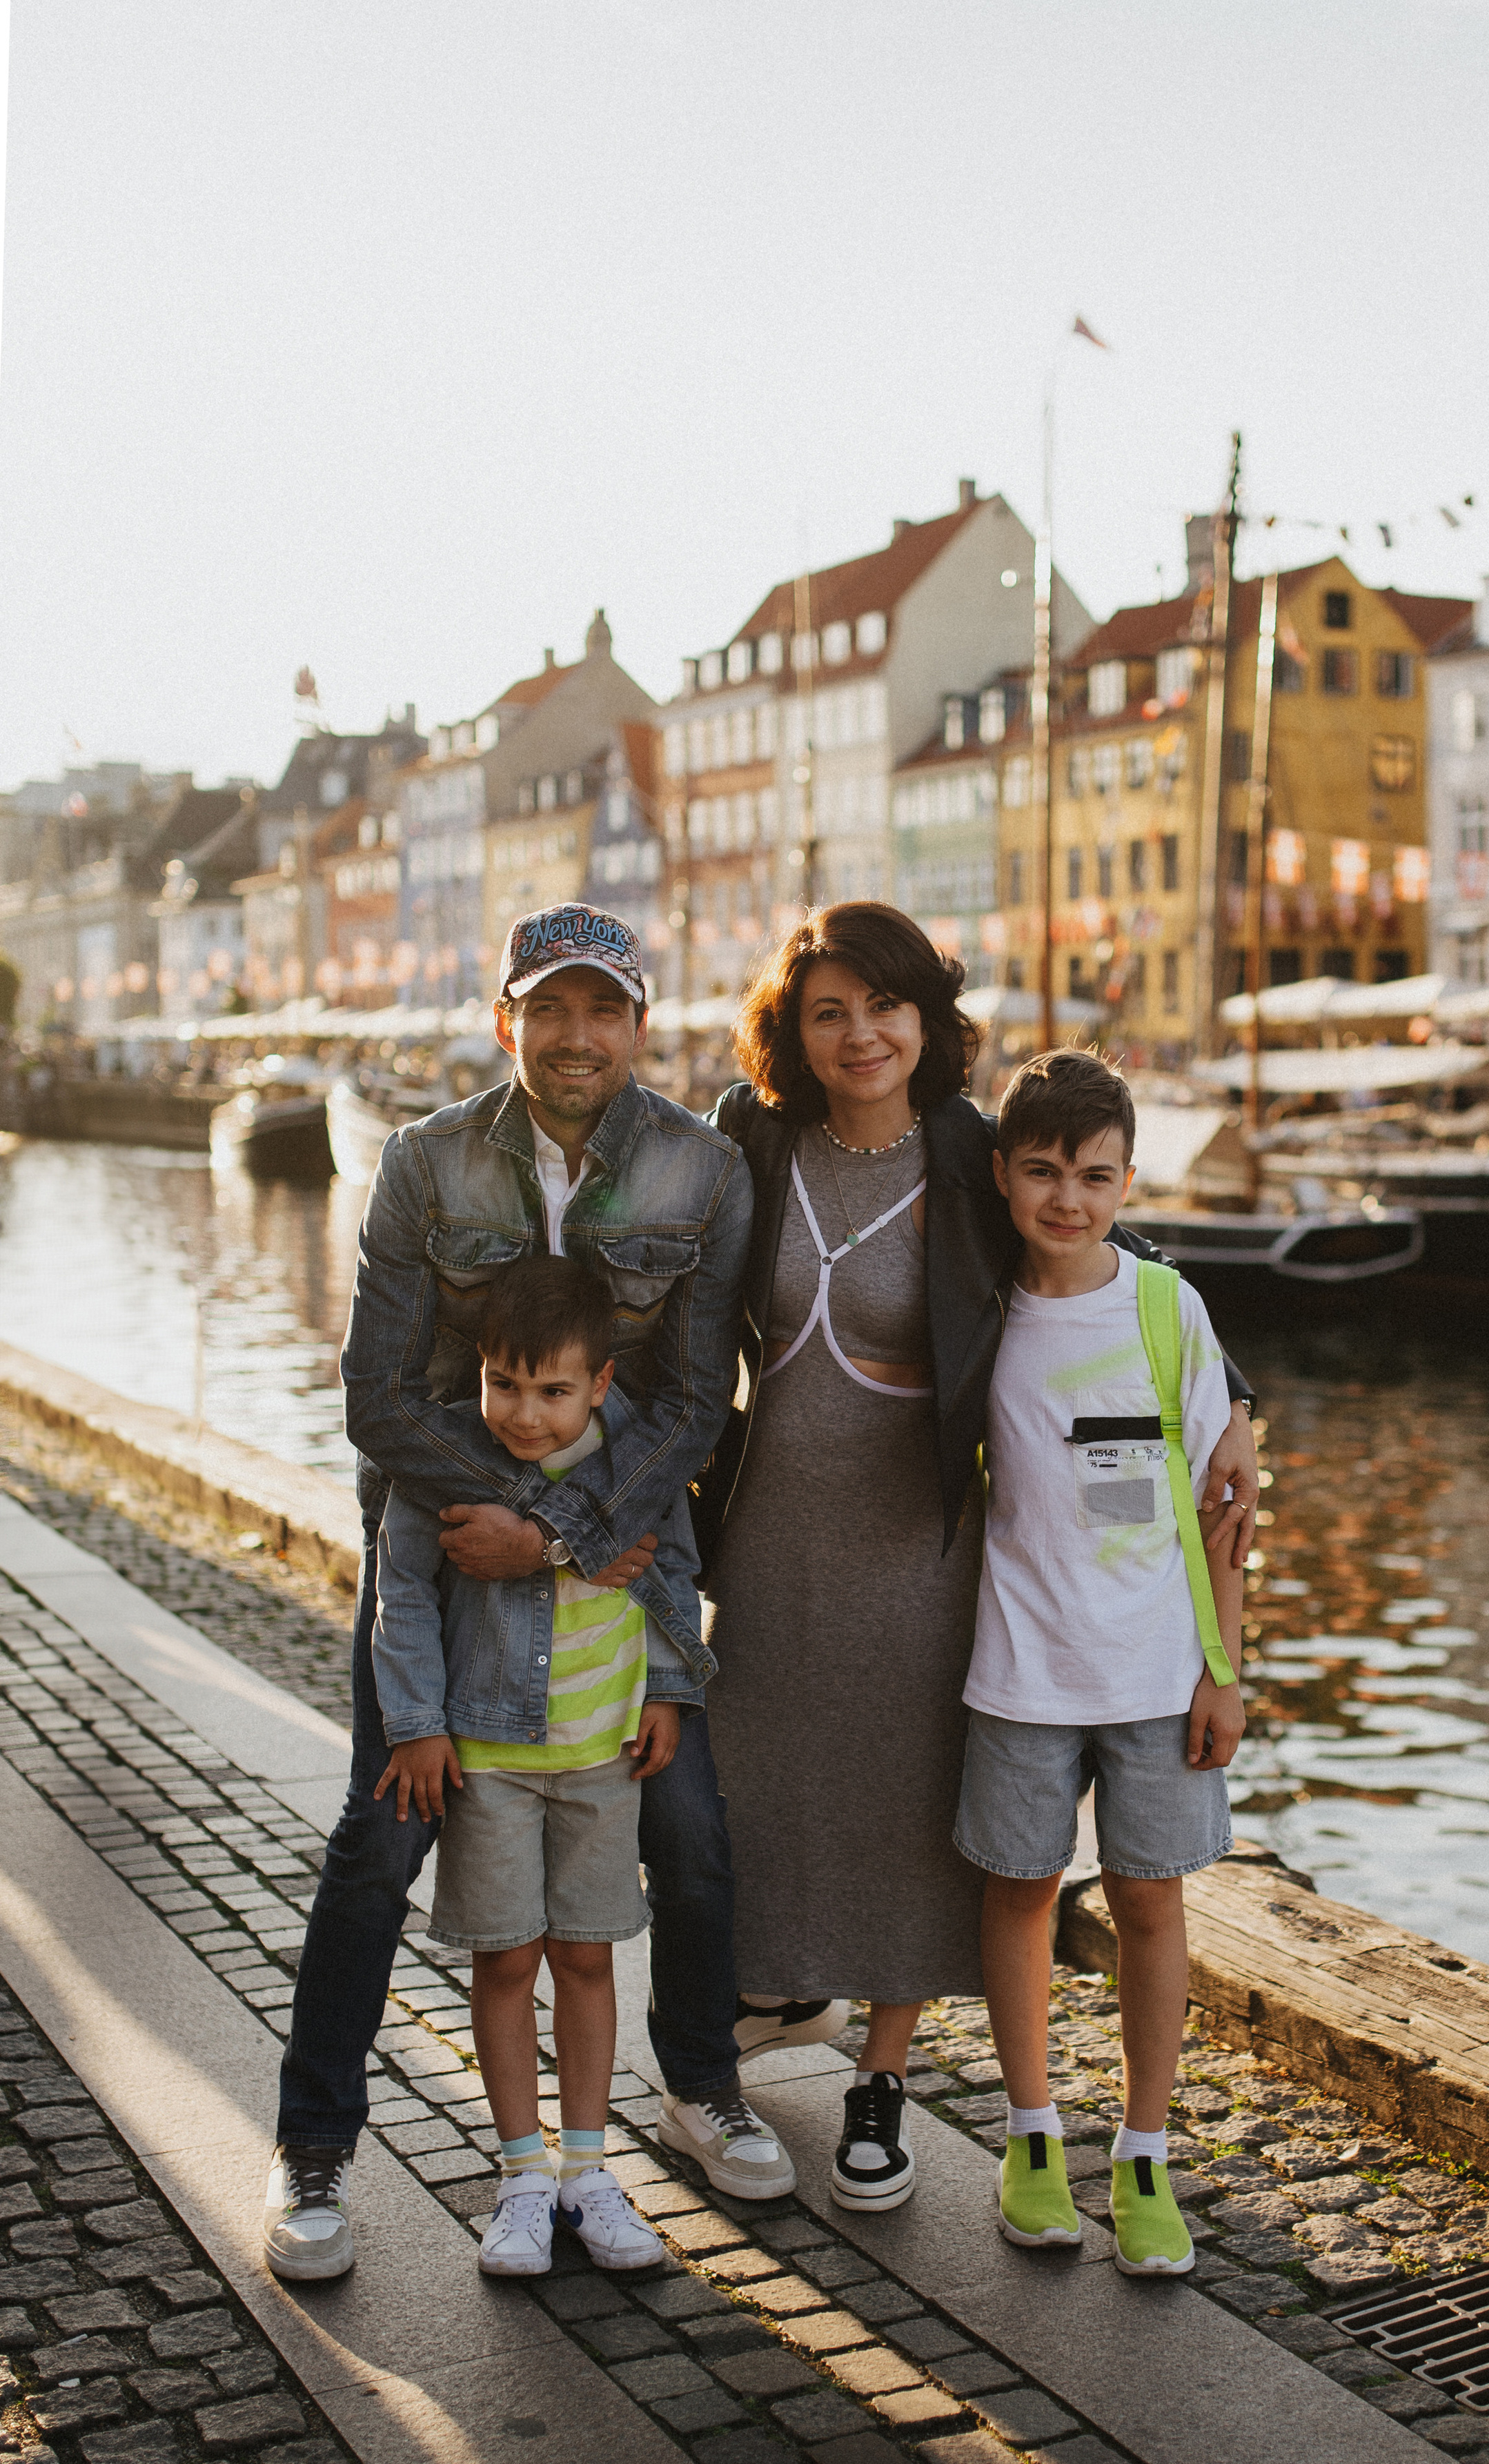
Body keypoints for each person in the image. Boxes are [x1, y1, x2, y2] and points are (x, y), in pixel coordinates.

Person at [264, 903, 807, 2285]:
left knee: (686, 1825)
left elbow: (693, 1397)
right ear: (505, 1019)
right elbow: (374, 1394)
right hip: (441, 1547)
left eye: (602, 1009)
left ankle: (697, 2086)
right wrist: (494, 1516)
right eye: (547, 1009)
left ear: (637, 1022)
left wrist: (562, 1530)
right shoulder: (423, 1160)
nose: (575, 1035)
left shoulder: (696, 1171)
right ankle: (315, 2144)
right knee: (380, 1837)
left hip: (616, 1554)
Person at [693, 905, 1260, 2217]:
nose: (861, 1033)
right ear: (793, 1026)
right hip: (780, 1523)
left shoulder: (964, 1147)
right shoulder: (755, 1134)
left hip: (927, 1540)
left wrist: (1233, 1388)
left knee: (912, 1807)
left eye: (886, 1006)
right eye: (829, 1010)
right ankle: (749, 2019)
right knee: (752, 1793)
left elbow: (1110, 1256)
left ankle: (886, 2082)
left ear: (929, 1020)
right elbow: (675, 1301)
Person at [954, 1049, 1244, 2277]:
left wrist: (1225, 1669)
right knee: (1019, 1892)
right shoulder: (979, 1313)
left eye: (1094, 1175)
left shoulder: (1167, 1308)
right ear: (1005, 1175)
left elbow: (1225, 1508)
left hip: (1155, 1670)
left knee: (1150, 1902)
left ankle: (1142, 2150)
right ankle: (1030, 2136)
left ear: (1128, 1179)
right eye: (1042, 1172)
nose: (1067, 1199)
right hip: (1020, 1668)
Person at [371, 1255, 691, 2278]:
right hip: (491, 1759)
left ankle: (589, 2169)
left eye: (553, 1391)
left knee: (588, 1956)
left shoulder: (634, 1463)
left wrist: (670, 1691)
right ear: (478, 1373)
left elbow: (674, 1574)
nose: (525, 1413)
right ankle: (518, 2173)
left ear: (599, 1383)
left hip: (603, 1757)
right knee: (506, 1958)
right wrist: (415, 1723)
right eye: (504, 1384)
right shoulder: (450, 1465)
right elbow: (403, 1592)